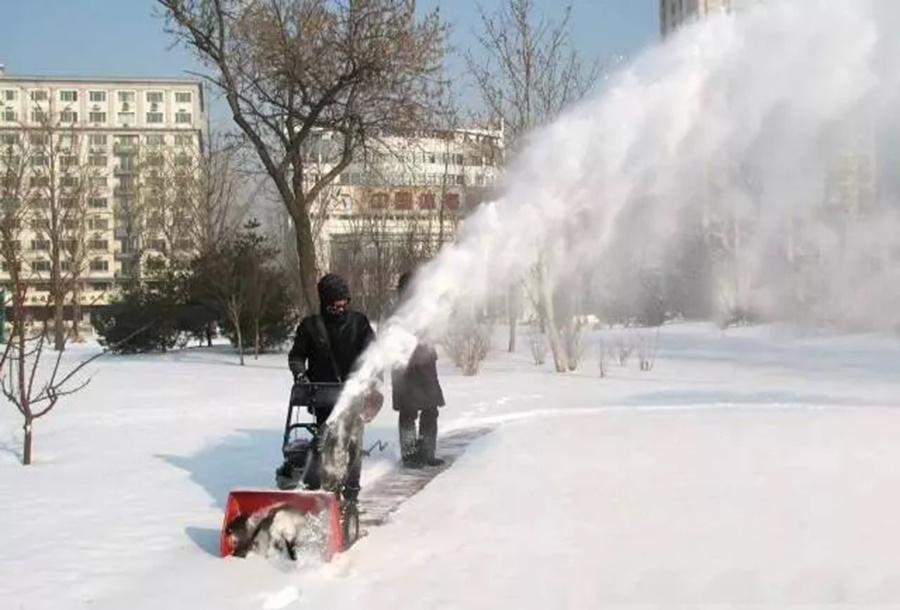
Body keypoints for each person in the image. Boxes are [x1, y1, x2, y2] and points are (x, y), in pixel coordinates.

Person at [287, 273, 380, 506]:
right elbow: (297, 356)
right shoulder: (310, 327)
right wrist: (300, 374)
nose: (340, 307)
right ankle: (324, 489)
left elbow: (374, 353)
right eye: (334, 303)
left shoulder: (358, 323)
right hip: (322, 396)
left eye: (343, 302)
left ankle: (351, 493)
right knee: (324, 443)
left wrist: (370, 378)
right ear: (324, 301)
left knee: (352, 443)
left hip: (354, 397)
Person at [391, 271, 446, 468]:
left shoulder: (426, 309)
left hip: (426, 365)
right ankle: (410, 454)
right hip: (405, 368)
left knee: (430, 409)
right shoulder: (397, 313)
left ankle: (427, 452)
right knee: (408, 411)